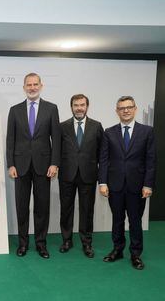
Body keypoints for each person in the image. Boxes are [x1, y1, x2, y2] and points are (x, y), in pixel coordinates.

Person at [6, 72, 61, 259]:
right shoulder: (14, 110)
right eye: (28, 85)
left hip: (44, 166)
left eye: (35, 84)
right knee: (22, 207)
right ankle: (23, 244)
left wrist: (54, 163)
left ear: (41, 86)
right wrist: (10, 164)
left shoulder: (51, 108)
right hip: (20, 167)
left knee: (42, 207)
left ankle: (40, 244)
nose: (32, 87)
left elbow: (57, 138)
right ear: (24, 87)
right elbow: (10, 139)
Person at [99, 96, 156, 270]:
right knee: (117, 220)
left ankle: (135, 254)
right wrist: (102, 182)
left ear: (135, 109)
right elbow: (104, 159)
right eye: (122, 108)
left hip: (137, 186)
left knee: (135, 220)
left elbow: (151, 160)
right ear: (117, 111)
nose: (126, 110)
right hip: (114, 185)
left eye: (129, 107)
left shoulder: (147, 131)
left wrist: (148, 184)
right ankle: (117, 249)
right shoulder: (109, 132)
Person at [58, 94, 103, 258]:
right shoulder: (62, 127)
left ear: (87, 106)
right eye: (76, 105)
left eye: (82, 105)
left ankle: (86, 243)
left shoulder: (96, 126)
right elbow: (57, 150)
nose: (79, 108)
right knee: (66, 209)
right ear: (71, 107)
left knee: (87, 211)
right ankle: (67, 240)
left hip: (88, 175)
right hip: (67, 175)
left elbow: (101, 153)